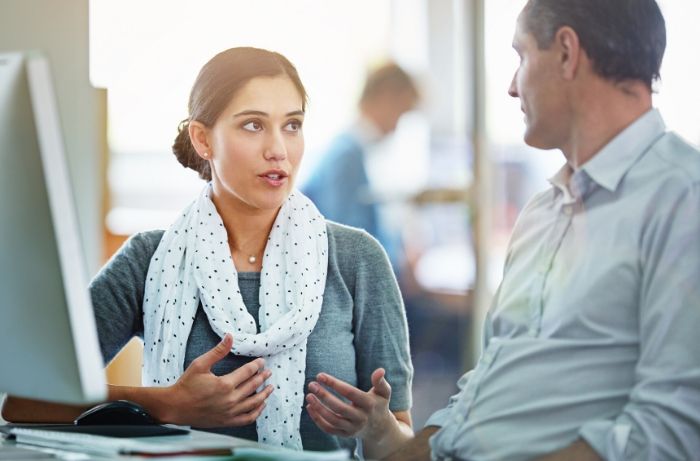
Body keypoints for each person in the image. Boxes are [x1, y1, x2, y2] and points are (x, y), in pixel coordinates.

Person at [1, 47, 414, 458]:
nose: (278, 149)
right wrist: (167, 404)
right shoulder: (148, 258)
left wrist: (378, 428)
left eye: (292, 125)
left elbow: (402, 443)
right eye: (253, 125)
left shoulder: (357, 259)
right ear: (202, 139)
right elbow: (23, 404)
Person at [382, 1, 700, 460]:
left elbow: (670, 434)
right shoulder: (543, 211)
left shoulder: (682, 198)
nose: (512, 87)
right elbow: (485, 387)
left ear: (567, 52)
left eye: (521, 56)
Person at [302, 62, 419, 270]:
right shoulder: (346, 156)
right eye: (400, 113)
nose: (395, 128)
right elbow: (346, 243)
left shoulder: (356, 152)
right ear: (385, 98)